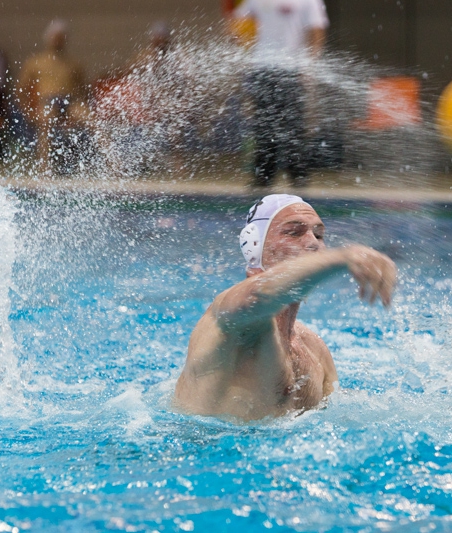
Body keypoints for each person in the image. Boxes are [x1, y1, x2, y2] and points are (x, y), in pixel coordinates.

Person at [173, 194, 397, 420]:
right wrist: (342, 258)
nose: (313, 243)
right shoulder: (230, 316)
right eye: (293, 232)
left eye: (319, 235)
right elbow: (260, 294)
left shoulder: (314, 348)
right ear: (254, 248)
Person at [230, 0, 329, 187]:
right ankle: (264, 175)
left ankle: (298, 174)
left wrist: (309, 63)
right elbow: (236, 21)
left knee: (294, 124)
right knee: (263, 124)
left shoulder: (309, 1)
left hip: (293, 68)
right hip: (263, 66)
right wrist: (244, 49)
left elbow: (317, 31)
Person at [16, 19, 87, 171]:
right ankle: (45, 167)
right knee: (46, 121)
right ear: (48, 38)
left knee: (92, 120)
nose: (58, 40)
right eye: (55, 37)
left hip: (70, 102)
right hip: (48, 102)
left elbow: (83, 92)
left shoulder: (74, 64)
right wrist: (28, 112)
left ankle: (113, 164)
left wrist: (74, 116)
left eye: (61, 37)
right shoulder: (35, 62)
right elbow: (21, 90)